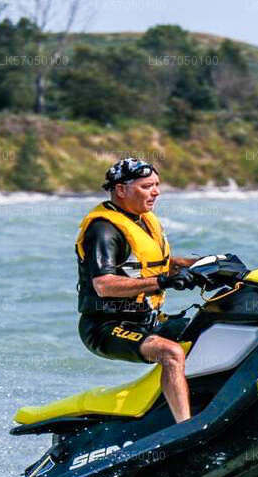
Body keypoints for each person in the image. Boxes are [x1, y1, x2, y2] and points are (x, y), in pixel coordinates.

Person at [76, 158, 201, 423]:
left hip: (147, 319)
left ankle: (208, 402)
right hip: (106, 326)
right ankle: (185, 427)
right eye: (147, 186)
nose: (156, 192)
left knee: (208, 326)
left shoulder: (142, 220)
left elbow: (157, 264)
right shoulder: (103, 229)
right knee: (171, 353)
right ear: (121, 190)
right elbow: (104, 285)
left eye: (156, 185)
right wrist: (163, 282)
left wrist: (206, 264)